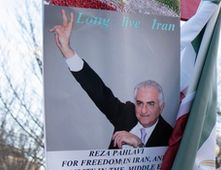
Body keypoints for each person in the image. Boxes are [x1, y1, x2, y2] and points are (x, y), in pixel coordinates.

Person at [49, 9, 173, 149]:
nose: (143, 110)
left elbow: (164, 168)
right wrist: (67, 50)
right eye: (139, 103)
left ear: (161, 107)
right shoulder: (126, 113)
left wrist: (139, 143)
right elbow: (98, 91)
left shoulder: (169, 135)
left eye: (150, 104)